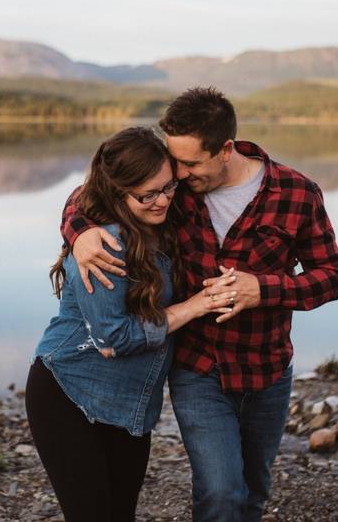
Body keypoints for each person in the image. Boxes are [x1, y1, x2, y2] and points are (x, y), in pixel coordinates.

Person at [61, 87, 338, 522]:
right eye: (175, 162)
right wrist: (79, 231)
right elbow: (94, 193)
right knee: (220, 493)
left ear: (226, 149)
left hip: (266, 369)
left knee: (252, 493)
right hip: (198, 369)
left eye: (191, 163)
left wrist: (264, 289)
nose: (179, 174)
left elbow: (332, 278)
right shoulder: (174, 191)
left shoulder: (297, 194)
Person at [26, 126, 239, 522]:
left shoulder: (161, 220)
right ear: (117, 192)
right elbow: (114, 338)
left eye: (168, 187)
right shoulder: (105, 245)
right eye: (147, 195)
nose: (163, 201)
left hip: (130, 406)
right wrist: (195, 306)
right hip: (70, 394)